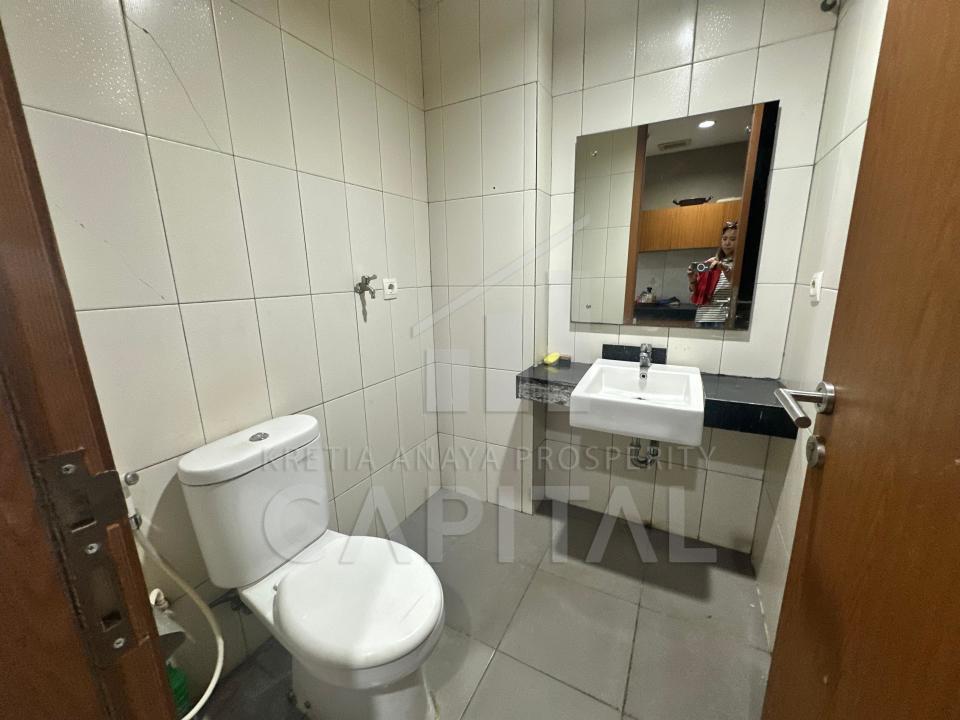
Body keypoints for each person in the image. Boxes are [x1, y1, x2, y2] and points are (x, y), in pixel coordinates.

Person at [688, 220, 738, 326]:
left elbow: (736, 284)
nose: (727, 243)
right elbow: (696, 292)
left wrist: (723, 267)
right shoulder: (712, 262)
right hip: (702, 316)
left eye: (733, 239)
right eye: (724, 238)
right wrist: (692, 279)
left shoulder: (739, 264)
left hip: (722, 318)